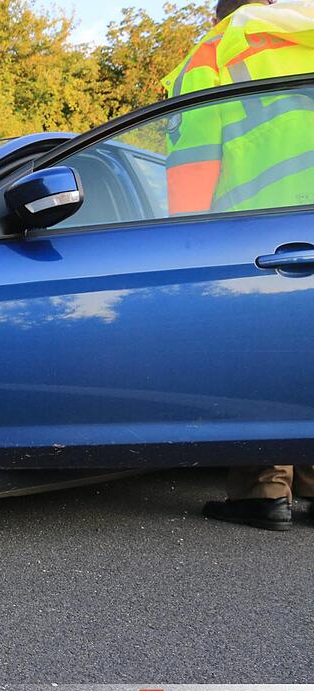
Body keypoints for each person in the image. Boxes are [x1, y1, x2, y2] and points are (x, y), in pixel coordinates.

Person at [162, 0, 314, 530]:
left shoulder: (218, 51)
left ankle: (262, 492)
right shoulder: (305, 35)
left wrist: (181, 246)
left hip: (265, 230)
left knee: (264, 358)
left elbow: (192, 167)